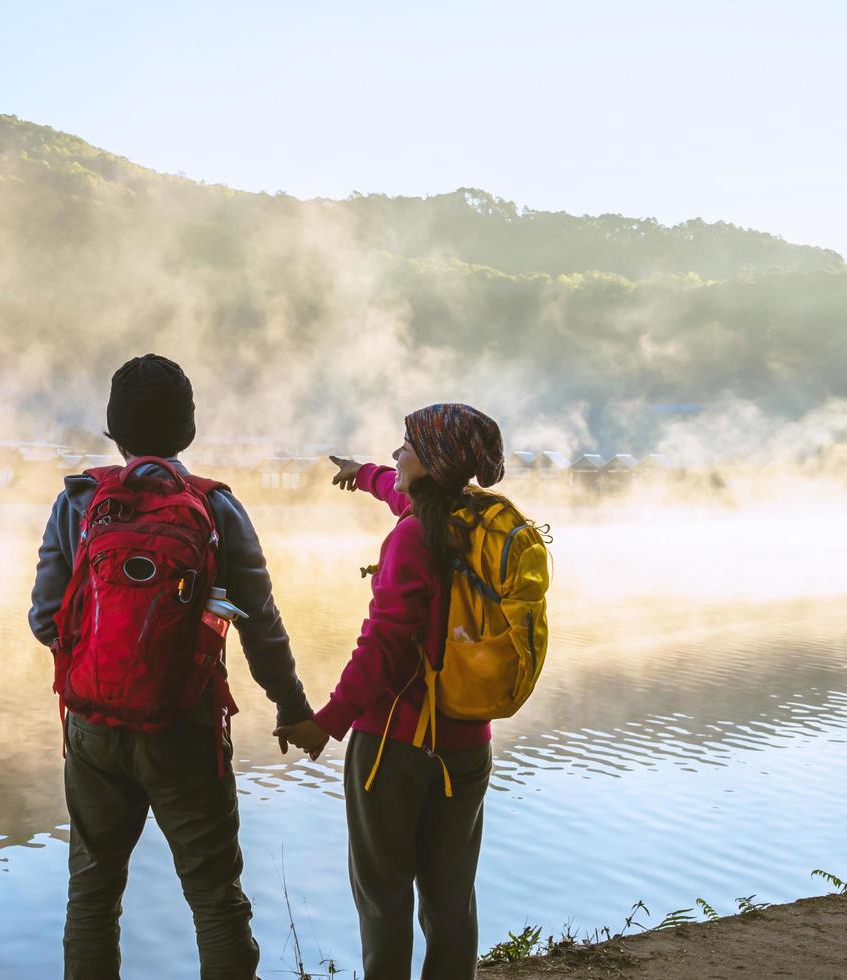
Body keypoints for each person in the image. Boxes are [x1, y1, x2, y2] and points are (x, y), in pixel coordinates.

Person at [29, 354, 320, 980]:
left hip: (93, 730)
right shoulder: (216, 508)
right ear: (187, 430)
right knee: (214, 898)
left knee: (92, 898)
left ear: (115, 430)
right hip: (185, 726)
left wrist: (102, 660)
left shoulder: (78, 502)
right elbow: (259, 624)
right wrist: (292, 706)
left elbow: (44, 619)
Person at [273, 403, 508, 980]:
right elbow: (402, 493)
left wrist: (325, 722)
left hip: (393, 749)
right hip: (466, 747)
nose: (398, 452)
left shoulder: (411, 540)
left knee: (383, 899)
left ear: (432, 463)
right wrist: (366, 473)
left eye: (406, 446)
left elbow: (382, 648)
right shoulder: (476, 522)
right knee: (452, 897)